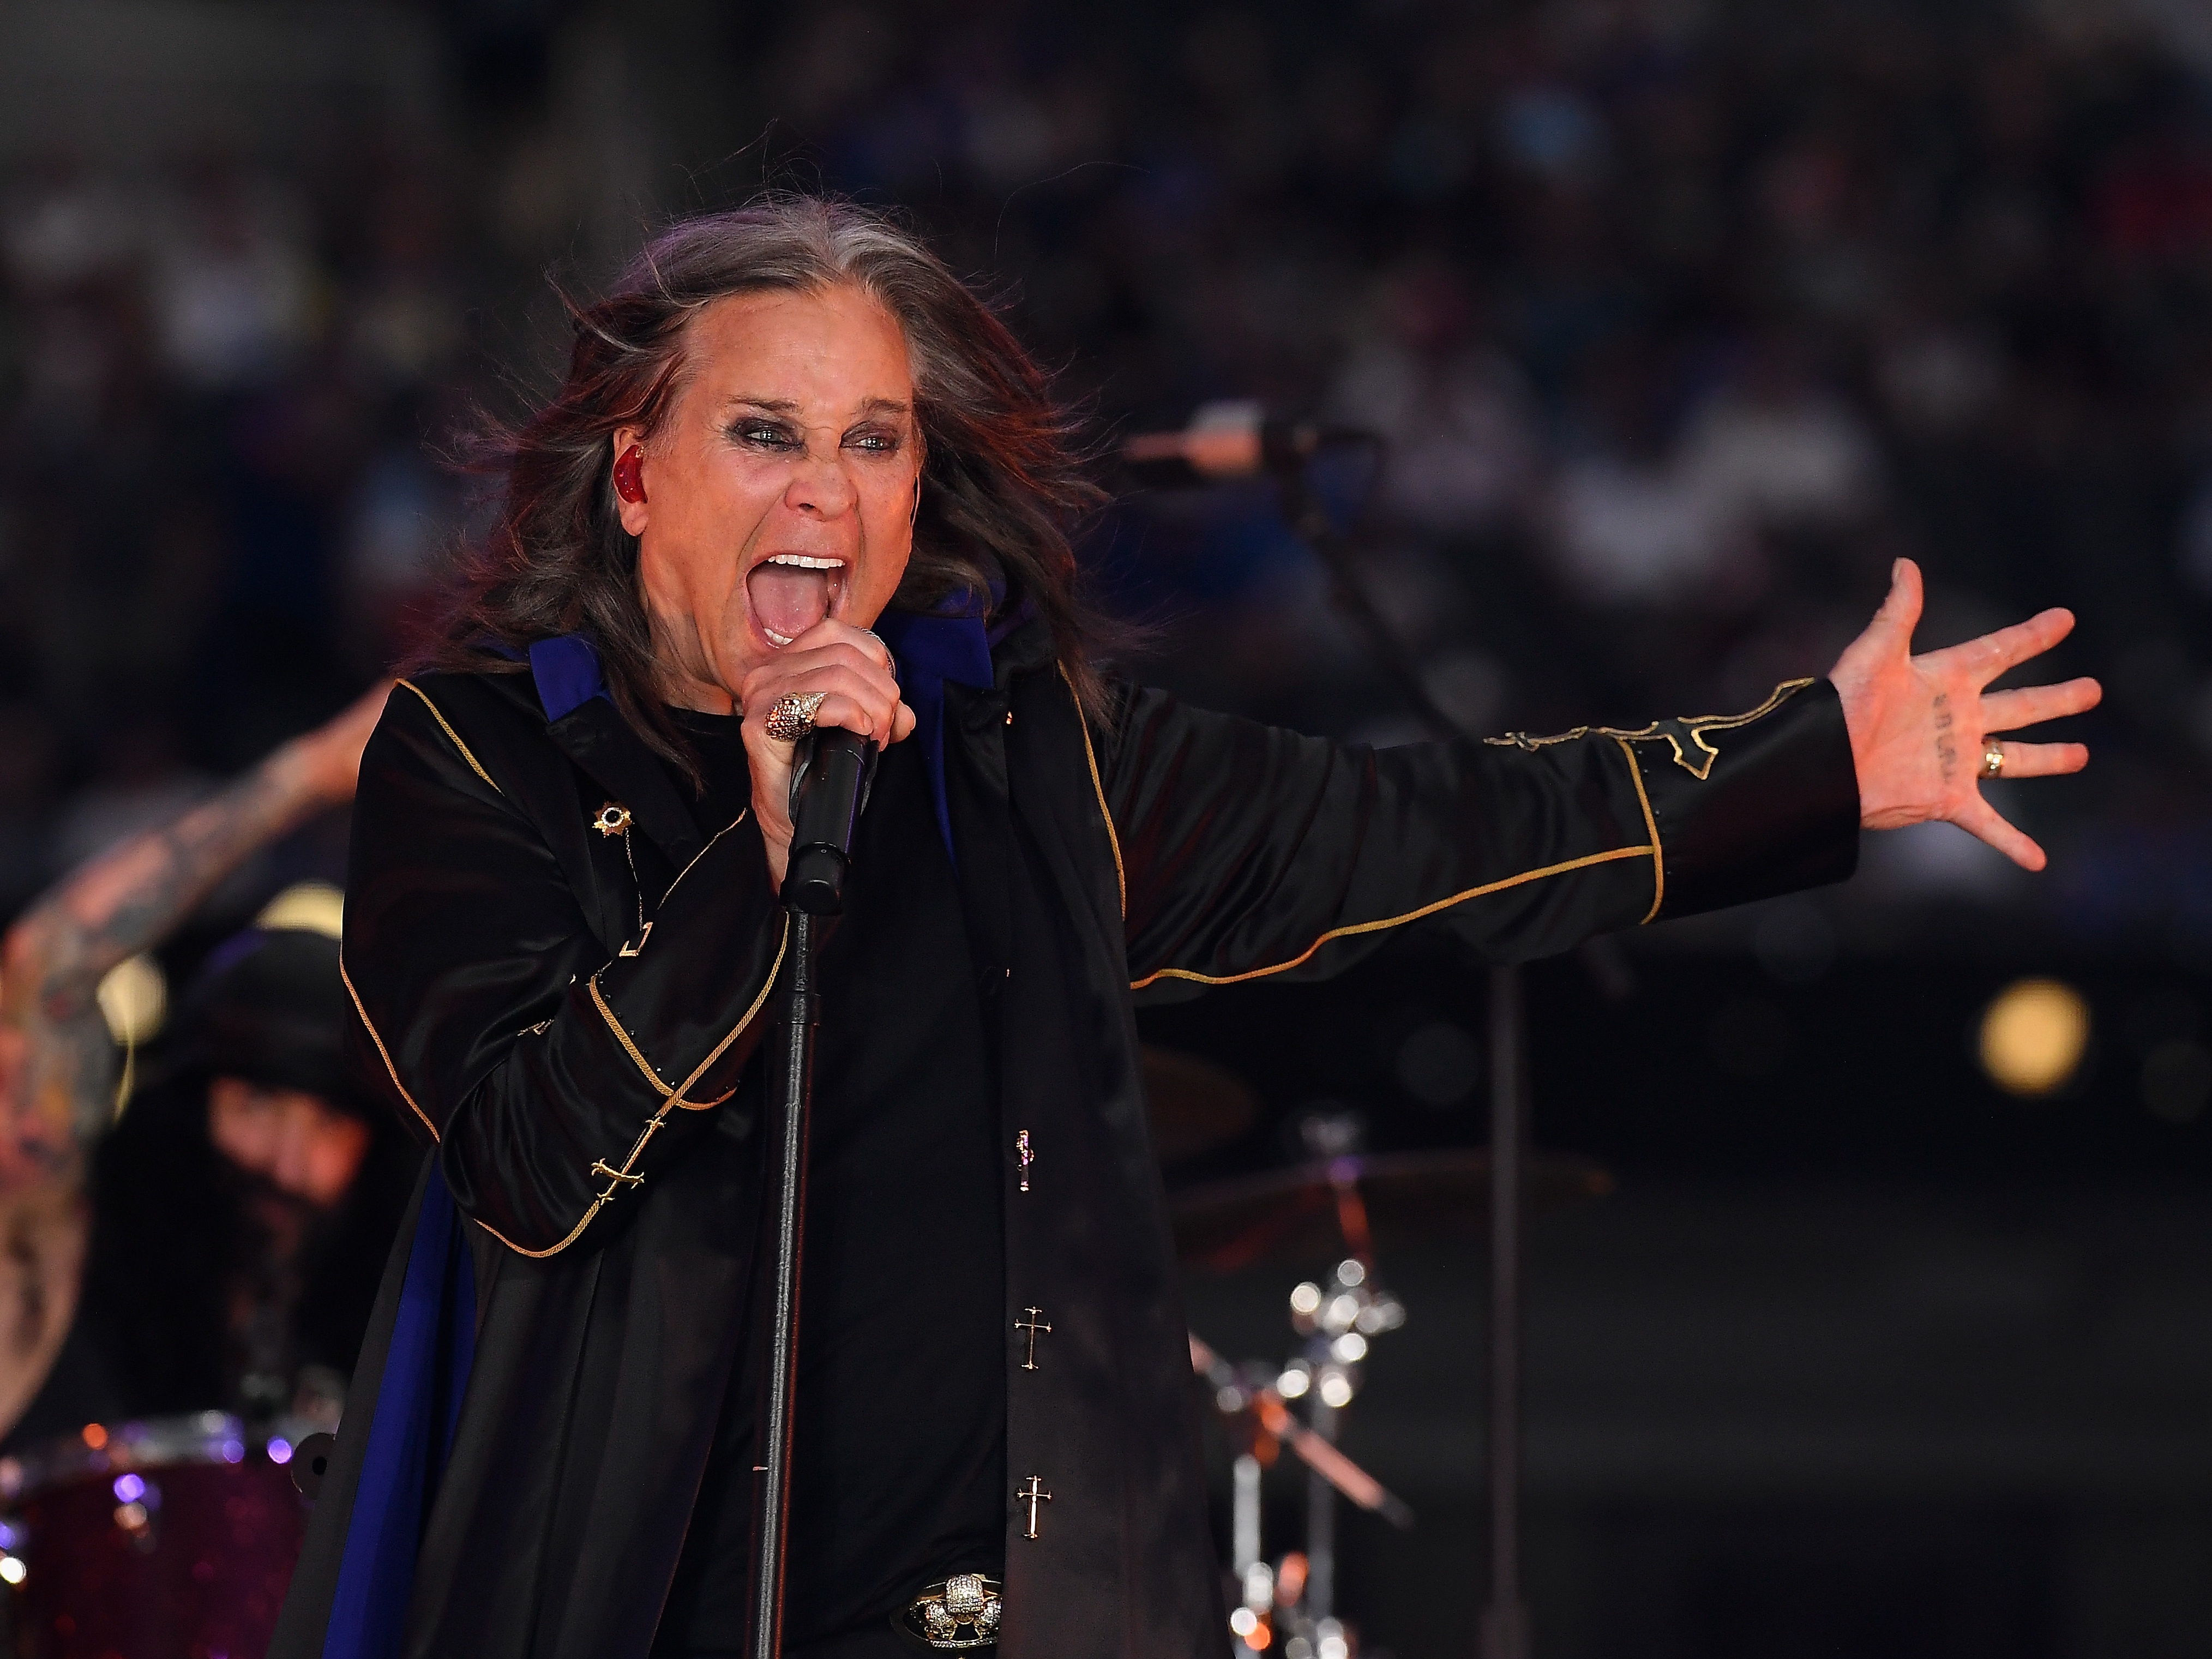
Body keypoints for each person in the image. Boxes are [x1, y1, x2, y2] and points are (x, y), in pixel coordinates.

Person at [272, 198, 2099, 1659]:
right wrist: (752, 862)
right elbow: (520, 1159)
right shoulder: (478, 749)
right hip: (623, 1597)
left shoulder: (1015, 753)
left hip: (980, 1606)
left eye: (873, 440)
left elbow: (1410, 828)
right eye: (763, 434)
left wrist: (1802, 769)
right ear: (637, 470)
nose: (823, 490)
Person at [0, 683, 392, 1440]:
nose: (285, 1160)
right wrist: (311, 772)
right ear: (190, 1103)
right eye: (258, 1106)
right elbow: (47, 977)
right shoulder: (68, 1276)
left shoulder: (386, 1335)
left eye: (327, 1126)